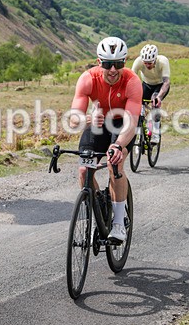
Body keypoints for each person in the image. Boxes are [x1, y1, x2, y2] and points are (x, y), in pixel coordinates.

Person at [70, 37, 141, 243]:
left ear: (125, 62)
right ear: (99, 62)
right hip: (98, 121)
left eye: (118, 64)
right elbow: (74, 119)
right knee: (84, 170)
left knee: (114, 162)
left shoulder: (132, 82)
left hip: (123, 123)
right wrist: (87, 119)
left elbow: (131, 122)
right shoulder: (87, 79)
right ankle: (99, 202)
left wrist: (118, 145)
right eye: (108, 64)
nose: (112, 70)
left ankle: (118, 223)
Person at [131, 44, 171, 143]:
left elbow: (166, 82)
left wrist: (159, 97)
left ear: (155, 59)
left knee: (154, 101)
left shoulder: (163, 61)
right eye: (145, 63)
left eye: (150, 63)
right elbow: (131, 79)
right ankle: (140, 131)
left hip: (160, 85)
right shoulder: (138, 61)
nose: (147, 65)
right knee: (138, 104)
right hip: (146, 84)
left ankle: (156, 134)